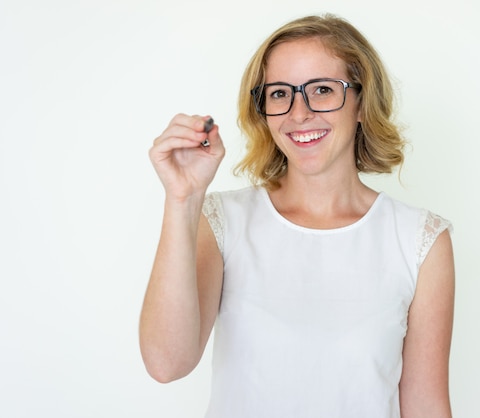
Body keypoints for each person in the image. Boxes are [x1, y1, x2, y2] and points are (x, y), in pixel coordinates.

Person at [140, 13, 455, 418]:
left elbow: (426, 406)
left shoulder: (420, 240)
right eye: (279, 94)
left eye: (322, 89)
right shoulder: (221, 222)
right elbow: (167, 364)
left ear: (362, 103)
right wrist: (183, 198)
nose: (298, 112)